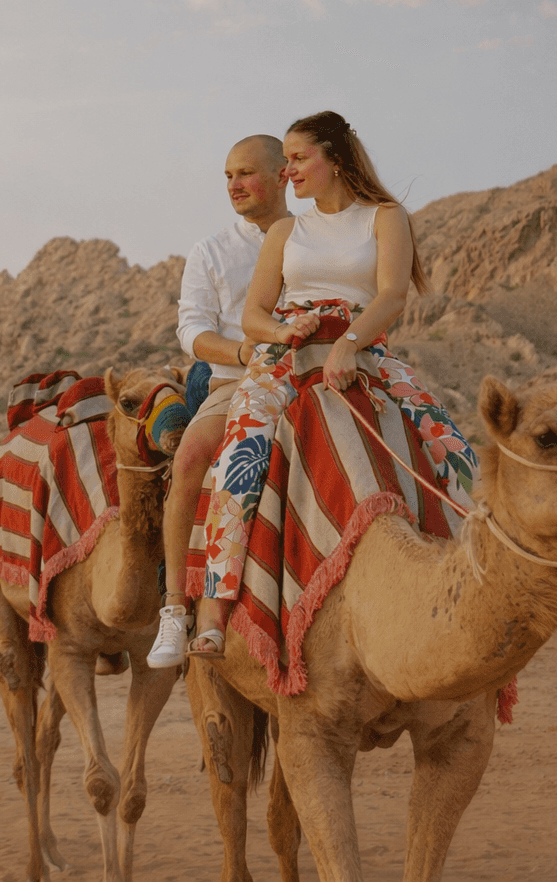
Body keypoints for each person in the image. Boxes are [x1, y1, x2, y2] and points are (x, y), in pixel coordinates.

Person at [187, 111, 477, 657]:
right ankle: (212, 608)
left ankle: (468, 587)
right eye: (287, 161)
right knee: (241, 450)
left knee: (452, 448)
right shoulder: (286, 231)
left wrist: (350, 343)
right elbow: (253, 313)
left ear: (334, 159)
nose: (288, 172)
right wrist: (281, 329)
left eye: (298, 159)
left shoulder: (384, 218)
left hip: (362, 345)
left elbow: (391, 295)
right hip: (285, 353)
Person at [145, 135, 288, 669]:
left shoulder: (312, 239)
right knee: (188, 459)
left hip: (307, 378)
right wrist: (242, 351)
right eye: (228, 175)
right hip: (234, 381)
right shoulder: (212, 251)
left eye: (246, 173)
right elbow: (192, 330)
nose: (234, 185)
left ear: (281, 176)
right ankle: (175, 608)